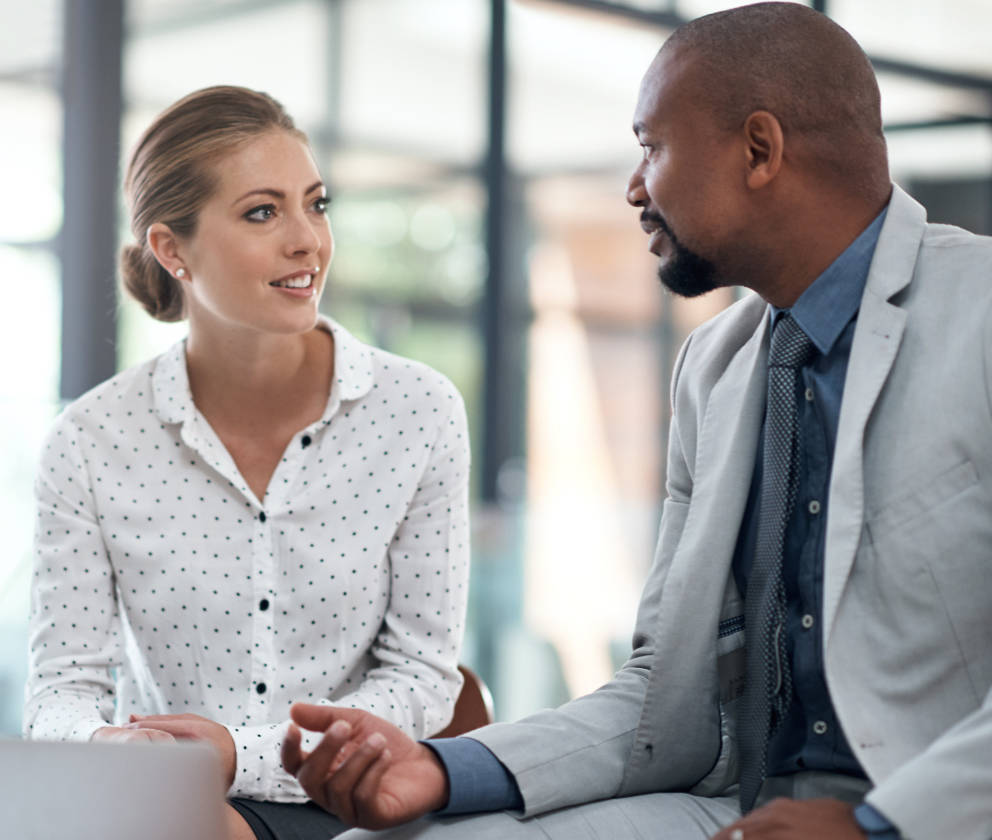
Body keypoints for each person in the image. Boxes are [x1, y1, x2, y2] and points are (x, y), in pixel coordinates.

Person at [280, 4, 992, 839]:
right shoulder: (714, 368)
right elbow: (663, 698)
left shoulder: (978, 311)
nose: (633, 185)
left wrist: (878, 825)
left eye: (651, 146)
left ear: (759, 150)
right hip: (742, 809)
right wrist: (439, 767)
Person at [24, 85, 471, 840]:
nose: (308, 241)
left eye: (316, 204)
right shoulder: (91, 441)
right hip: (174, 814)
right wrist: (112, 747)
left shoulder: (417, 412)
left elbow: (424, 677)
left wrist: (241, 756)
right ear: (172, 250)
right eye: (263, 212)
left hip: (362, 808)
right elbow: (59, 693)